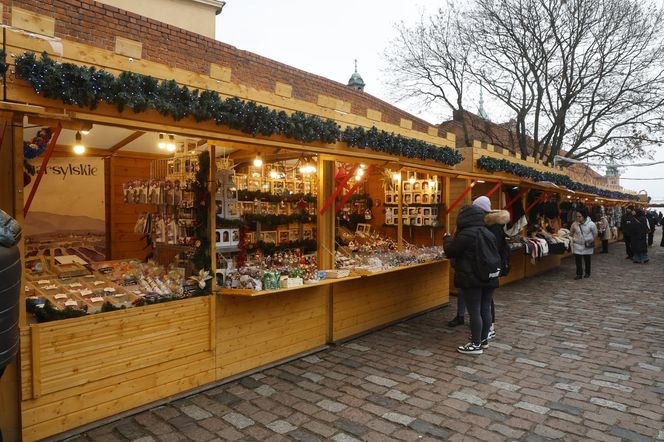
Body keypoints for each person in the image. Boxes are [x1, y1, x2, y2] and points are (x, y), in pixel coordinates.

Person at [447, 197, 510, 342]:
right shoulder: (490, 227)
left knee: (476, 310)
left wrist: (448, 239)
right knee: (484, 307)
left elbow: (453, 250)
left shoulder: (477, 229)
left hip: (475, 273)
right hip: (489, 272)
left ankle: (477, 342)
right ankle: (484, 338)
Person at [570, 207, 597, 279]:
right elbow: (571, 232)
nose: (578, 218)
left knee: (587, 260)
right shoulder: (574, 224)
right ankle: (579, 274)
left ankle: (587, 272)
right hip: (577, 244)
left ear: (584, 216)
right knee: (578, 261)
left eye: (579, 216)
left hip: (587, 244)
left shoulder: (591, 224)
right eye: (577, 216)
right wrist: (574, 239)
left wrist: (590, 239)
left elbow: (595, 233)